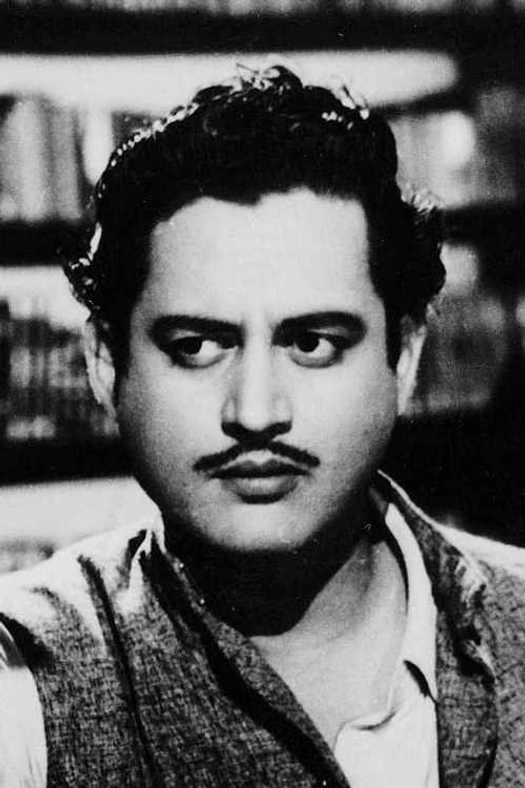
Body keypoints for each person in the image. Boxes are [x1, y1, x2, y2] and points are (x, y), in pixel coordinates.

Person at [1, 63, 525, 788]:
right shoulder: (22, 680)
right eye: (195, 346)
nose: (254, 412)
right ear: (105, 363)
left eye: (311, 343)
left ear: (404, 357)